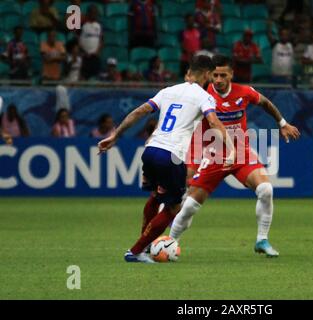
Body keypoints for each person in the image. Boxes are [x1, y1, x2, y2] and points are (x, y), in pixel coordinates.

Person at [97, 55, 235, 263]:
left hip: (151, 150)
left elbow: (139, 111)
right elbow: (214, 122)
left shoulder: (168, 91)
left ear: (189, 71)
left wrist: (115, 135)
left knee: (156, 196)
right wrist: (232, 148)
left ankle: (141, 250)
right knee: (174, 207)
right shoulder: (204, 96)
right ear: (207, 74)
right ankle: (135, 251)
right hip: (172, 156)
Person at [167, 55, 300, 257]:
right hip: (214, 156)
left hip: (240, 153)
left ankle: (262, 240)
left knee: (265, 189)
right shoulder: (202, 94)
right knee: (190, 207)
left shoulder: (244, 92)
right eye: (215, 75)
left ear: (231, 74)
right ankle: (170, 243)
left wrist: (282, 123)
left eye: (223, 75)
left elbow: (265, 103)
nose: (218, 80)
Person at [79, 5, 103, 80]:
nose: (94, 14)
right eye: (92, 12)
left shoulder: (99, 26)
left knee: (96, 77)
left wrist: (97, 51)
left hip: (95, 56)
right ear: (88, 13)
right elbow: (78, 39)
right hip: (85, 56)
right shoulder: (83, 25)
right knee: (84, 77)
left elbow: (101, 40)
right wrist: (83, 51)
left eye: (95, 13)